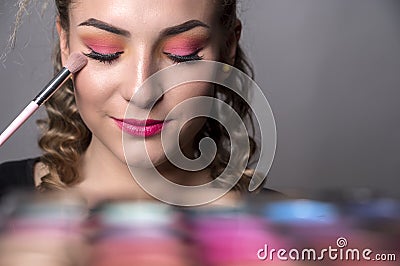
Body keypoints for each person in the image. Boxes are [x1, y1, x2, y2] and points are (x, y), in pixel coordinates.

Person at [0, 0, 272, 207]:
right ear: (65, 44)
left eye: (181, 54)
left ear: (228, 47)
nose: (141, 91)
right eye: (105, 52)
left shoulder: (292, 233)